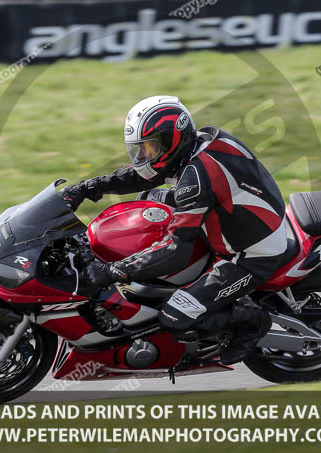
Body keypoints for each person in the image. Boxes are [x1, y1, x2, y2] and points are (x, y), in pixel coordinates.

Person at [60, 95, 290, 365]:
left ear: (173, 140)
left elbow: (176, 251)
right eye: (140, 149)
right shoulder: (200, 142)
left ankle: (252, 321)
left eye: (150, 148)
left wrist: (114, 271)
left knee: (175, 315)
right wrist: (89, 188)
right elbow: (143, 175)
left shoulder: (196, 180)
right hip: (228, 217)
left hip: (249, 254)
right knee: (150, 196)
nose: (143, 156)